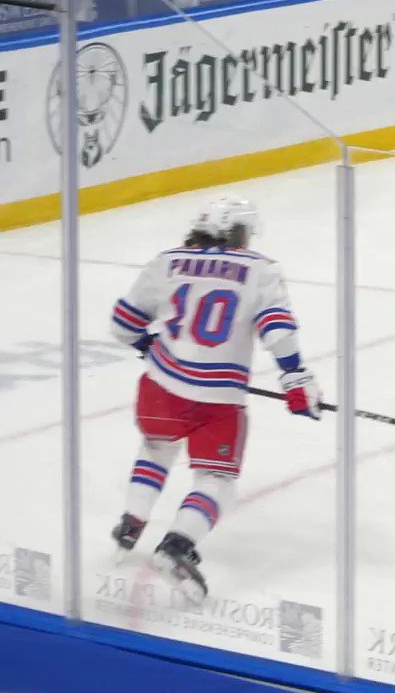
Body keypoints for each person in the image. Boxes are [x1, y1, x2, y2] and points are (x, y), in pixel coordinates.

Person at [109, 195, 321, 603]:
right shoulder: (260, 269)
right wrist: (296, 377)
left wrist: (150, 345)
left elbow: (123, 324)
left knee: (156, 448)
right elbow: (276, 328)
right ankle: (176, 546)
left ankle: (131, 523)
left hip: (160, 385)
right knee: (217, 480)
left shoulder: (167, 260)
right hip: (216, 398)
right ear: (238, 232)